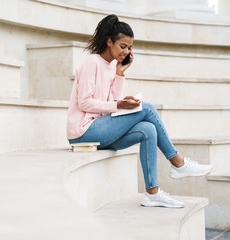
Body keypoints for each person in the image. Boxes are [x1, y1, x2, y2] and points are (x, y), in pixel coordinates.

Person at [66, 14, 212, 208]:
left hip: (100, 129)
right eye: (123, 46)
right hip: (83, 132)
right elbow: (85, 103)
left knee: (148, 130)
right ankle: (178, 162)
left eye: (130, 47)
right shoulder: (91, 62)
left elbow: (109, 103)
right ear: (109, 42)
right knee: (148, 108)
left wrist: (119, 74)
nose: (127, 51)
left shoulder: (111, 67)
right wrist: (119, 105)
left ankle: (152, 192)